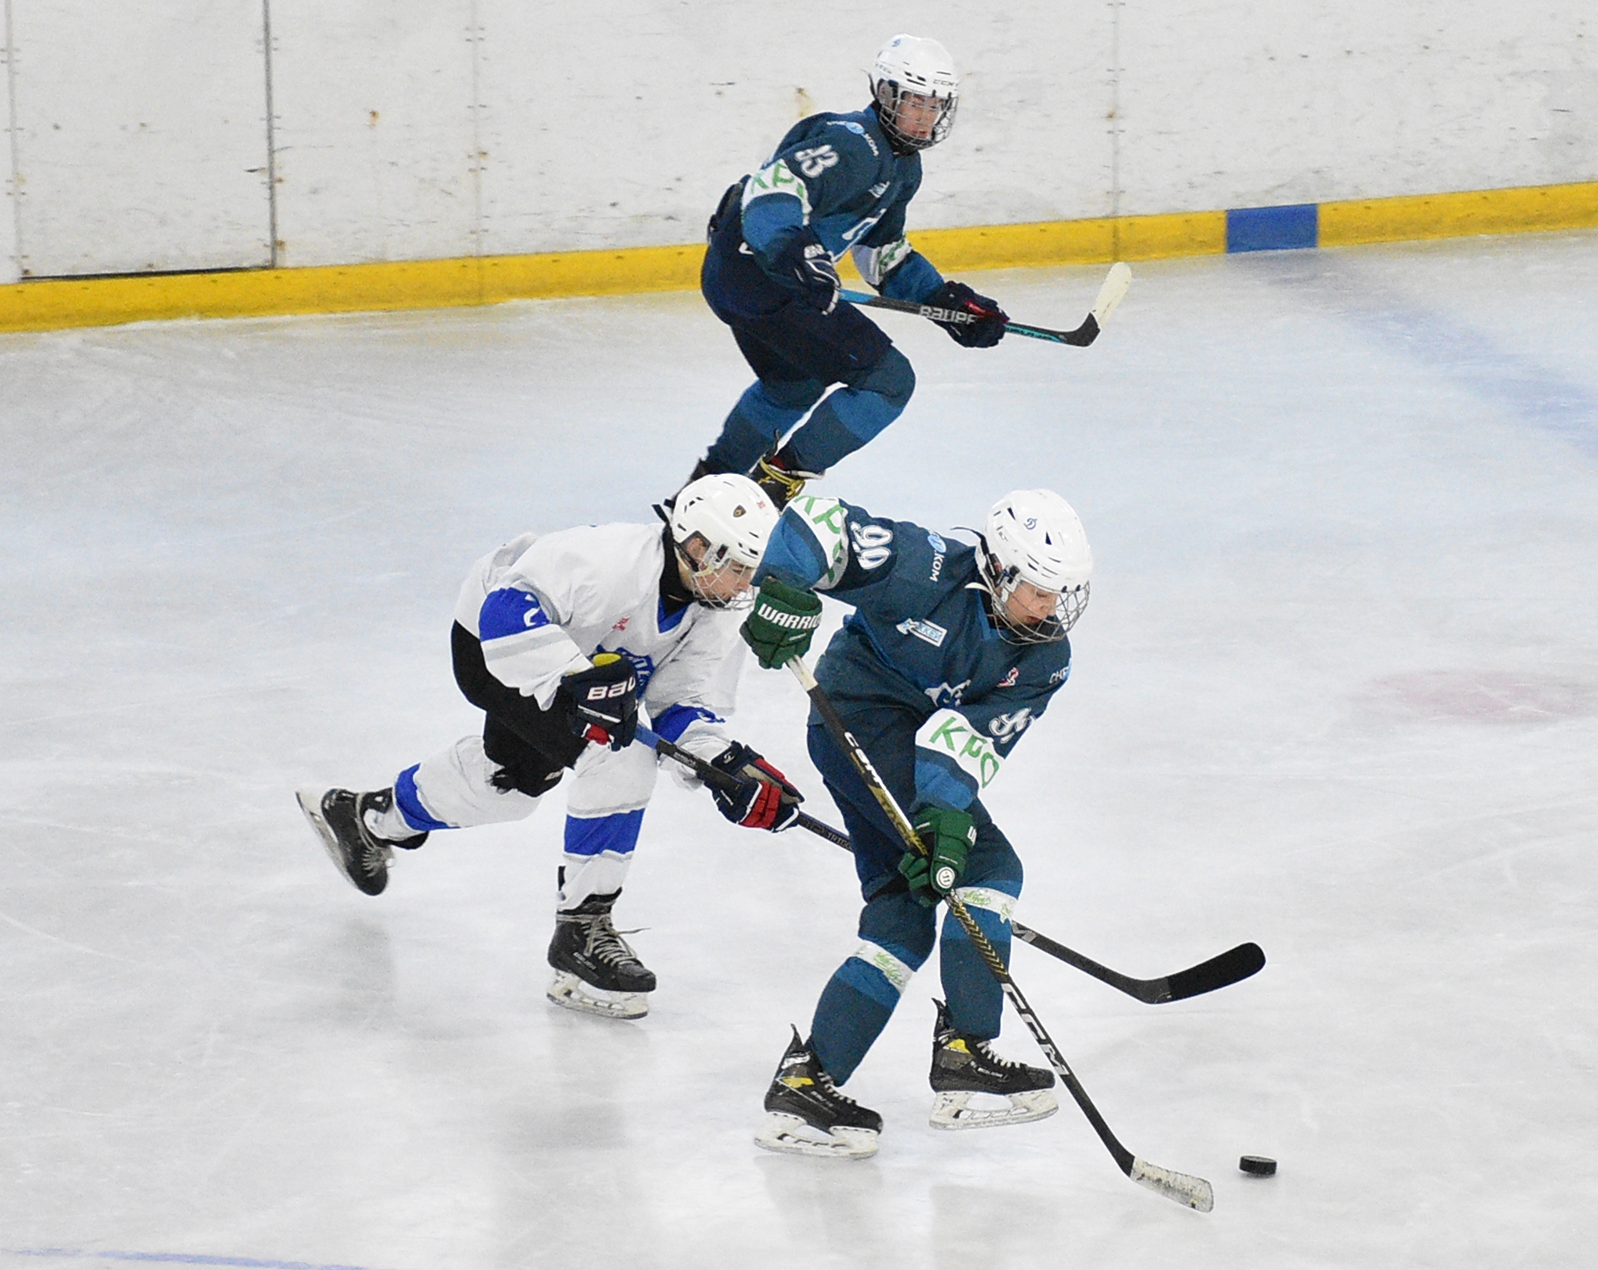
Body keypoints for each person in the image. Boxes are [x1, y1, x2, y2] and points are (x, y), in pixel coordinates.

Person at [296, 474, 807, 1020]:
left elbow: (679, 704)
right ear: (697, 547)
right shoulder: (605, 563)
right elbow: (504, 612)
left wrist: (723, 766)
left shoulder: (717, 607)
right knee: (621, 751)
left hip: (586, 669)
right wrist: (569, 679)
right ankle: (582, 932)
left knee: (512, 787)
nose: (744, 584)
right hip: (491, 643)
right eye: (737, 568)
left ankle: (368, 818)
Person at [736, 488, 1093, 1157]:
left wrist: (941, 821)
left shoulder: (1045, 658)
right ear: (1000, 572)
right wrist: (783, 586)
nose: (1053, 610)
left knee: (904, 907)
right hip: (856, 719)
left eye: (1062, 593)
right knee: (990, 869)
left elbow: (968, 743)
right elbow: (818, 522)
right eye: (1040, 591)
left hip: (908, 744)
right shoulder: (924, 569)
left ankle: (807, 1087)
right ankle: (965, 1050)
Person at [689, 34, 1009, 508]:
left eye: (935, 105)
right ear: (884, 95)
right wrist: (793, 250)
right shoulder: (855, 144)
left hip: (742, 278)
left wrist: (943, 300)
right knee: (889, 382)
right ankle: (763, 497)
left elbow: (880, 255)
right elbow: (771, 189)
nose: (924, 116)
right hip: (762, 277)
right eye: (914, 102)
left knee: (793, 385)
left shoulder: (903, 168)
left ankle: (701, 493)